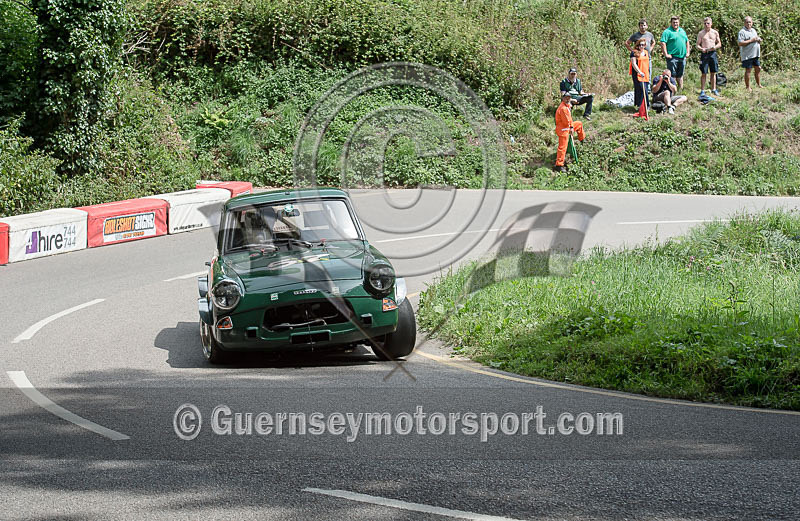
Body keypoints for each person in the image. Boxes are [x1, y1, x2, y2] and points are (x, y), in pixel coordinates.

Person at [554, 93, 585, 171]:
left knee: (579, 124)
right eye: (566, 98)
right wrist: (571, 127)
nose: (567, 99)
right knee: (562, 147)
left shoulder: (567, 106)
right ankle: (559, 165)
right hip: (563, 130)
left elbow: (569, 119)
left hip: (568, 127)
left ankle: (582, 140)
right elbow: (566, 121)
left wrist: (571, 126)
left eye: (569, 98)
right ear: (563, 98)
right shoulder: (563, 108)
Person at [660, 16, 691, 90]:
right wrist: (666, 54)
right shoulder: (667, 32)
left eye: (676, 22)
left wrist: (688, 52)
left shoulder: (682, 31)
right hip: (672, 57)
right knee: (672, 75)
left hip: (682, 56)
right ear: (671, 23)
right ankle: (672, 90)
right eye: (673, 22)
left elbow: (687, 41)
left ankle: (681, 89)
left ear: (679, 22)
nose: (675, 24)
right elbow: (663, 43)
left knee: (680, 75)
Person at [696, 17, 721, 95]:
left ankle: (714, 89)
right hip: (705, 54)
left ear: (711, 24)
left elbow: (719, 43)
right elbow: (697, 45)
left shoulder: (715, 32)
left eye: (708, 23)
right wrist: (701, 49)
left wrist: (715, 47)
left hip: (713, 53)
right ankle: (702, 90)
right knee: (704, 72)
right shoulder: (701, 33)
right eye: (705, 23)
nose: (706, 25)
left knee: (713, 72)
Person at [738, 16, 762, 91]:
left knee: (758, 68)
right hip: (747, 55)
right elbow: (740, 43)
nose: (748, 24)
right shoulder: (742, 32)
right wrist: (751, 40)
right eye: (747, 22)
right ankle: (748, 87)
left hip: (755, 54)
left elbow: (755, 38)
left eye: (750, 22)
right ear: (744, 23)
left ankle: (759, 84)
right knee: (748, 70)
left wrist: (759, 40)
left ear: (752, 23)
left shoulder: (753, 30)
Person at [630, 38, 651, 114]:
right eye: (640, 45)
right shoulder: (634, 53)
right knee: (640, 89)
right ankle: (640, 105)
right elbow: (633, 64)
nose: (641, 46)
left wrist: (647, 72)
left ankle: (645, 106)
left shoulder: (646, 52)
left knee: (645, 89)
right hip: (637, 73)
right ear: (637, 45)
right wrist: (639, 72)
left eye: (643, 45)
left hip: (645, 74)